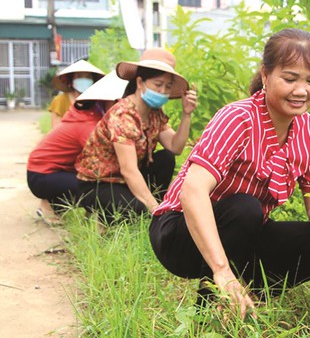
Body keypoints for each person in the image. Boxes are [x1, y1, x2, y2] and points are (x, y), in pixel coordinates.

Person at [149, 29, 310, 318]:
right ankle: (212, 308)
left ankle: (247, 295)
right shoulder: (239, 118)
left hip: (243, 232)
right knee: (245, 208)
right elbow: (192, 191)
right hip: (179, 232)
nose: (301, 90)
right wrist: (221, 270)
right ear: (266, 76)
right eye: (290, 79)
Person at [75, 49, 197, 222]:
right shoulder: (123, 115)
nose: (162, 91)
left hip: (124, 179)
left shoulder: (154, 113)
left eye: (167, 87)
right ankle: (107, 216)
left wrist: (187, 115)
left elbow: (175, 147)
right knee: (139, 211)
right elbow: (129, 170)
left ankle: (148, 205)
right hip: (99, 183)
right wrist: (155, 209)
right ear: (140, 83)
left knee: (166, 158)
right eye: (158, 84)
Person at [27, 71, 128, 225]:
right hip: (42, 175)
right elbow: (106, 159)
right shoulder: (88, 125)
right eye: (116, 102)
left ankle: (53, 204)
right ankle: (51, 204)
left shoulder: (91, 115)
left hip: (51, 170)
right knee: (95, 187)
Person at [49, 59, 105, 128]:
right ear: (71, 80)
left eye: (88, 77)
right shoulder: (60, 100)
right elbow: (55, 128)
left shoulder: (99, 102)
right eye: (79, 76)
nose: (84, 80)